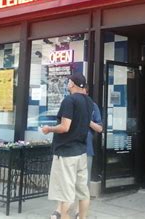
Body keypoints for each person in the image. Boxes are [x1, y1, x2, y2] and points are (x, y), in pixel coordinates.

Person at [42, 73, 93, 219]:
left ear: (72, 84)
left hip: (66, 154)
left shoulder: (69, 100)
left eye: (69, 81)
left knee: (66, 195)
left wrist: (48, 129)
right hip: (81, 152)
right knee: (83, 193)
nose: (67, 83)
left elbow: (65, 127)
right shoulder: (89, 102)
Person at [54, 88, 103, 218]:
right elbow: (64, 125)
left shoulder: (93, 106)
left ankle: (78, 212)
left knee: (82, 184)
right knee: (65, 182)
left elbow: (100, 128)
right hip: (69, 148)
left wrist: (88, 120)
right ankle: (59, 210)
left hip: (85, 150)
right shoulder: (70, 103)